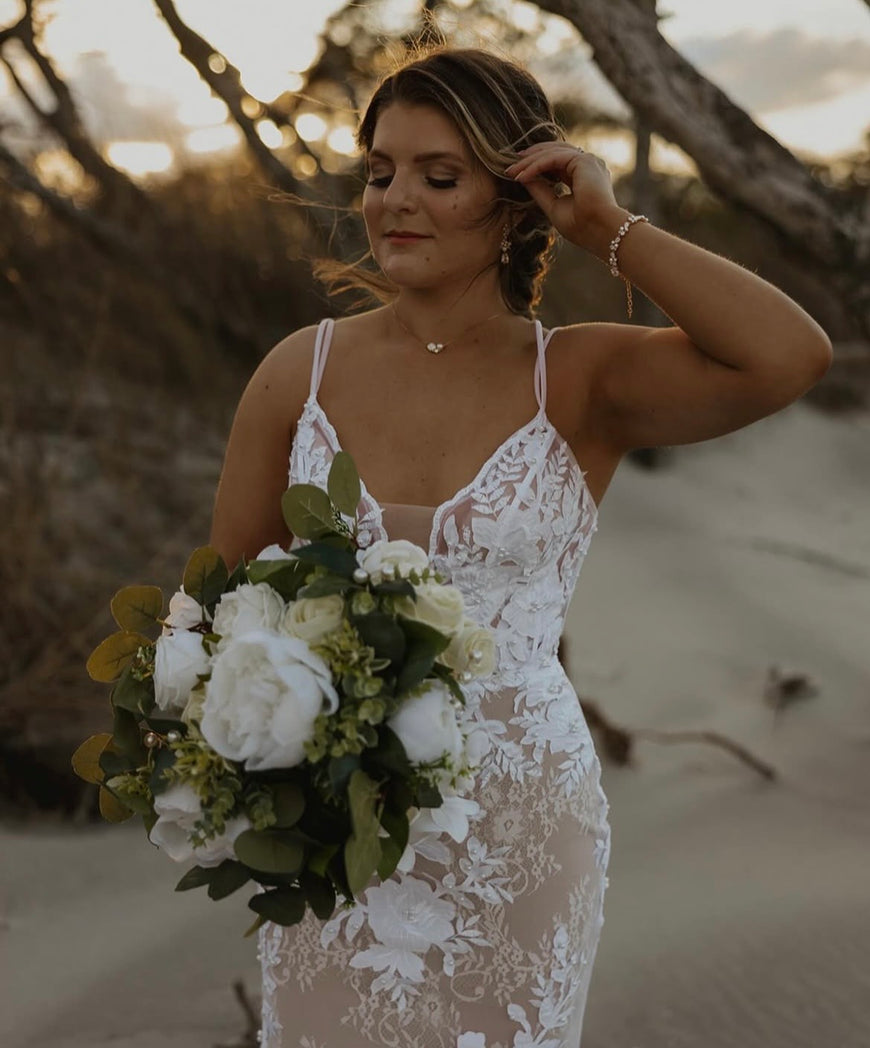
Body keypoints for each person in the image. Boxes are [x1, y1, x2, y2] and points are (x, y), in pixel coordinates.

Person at [209, 47, 831, 1048]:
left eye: (439, 176)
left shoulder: (578, 379)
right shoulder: (299, 373)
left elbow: (788, 356)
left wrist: (605, 227)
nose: (395, 200)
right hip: (338, 830)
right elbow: (225, 608)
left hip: (519, 834)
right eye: (380, 172)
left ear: (513, 201)